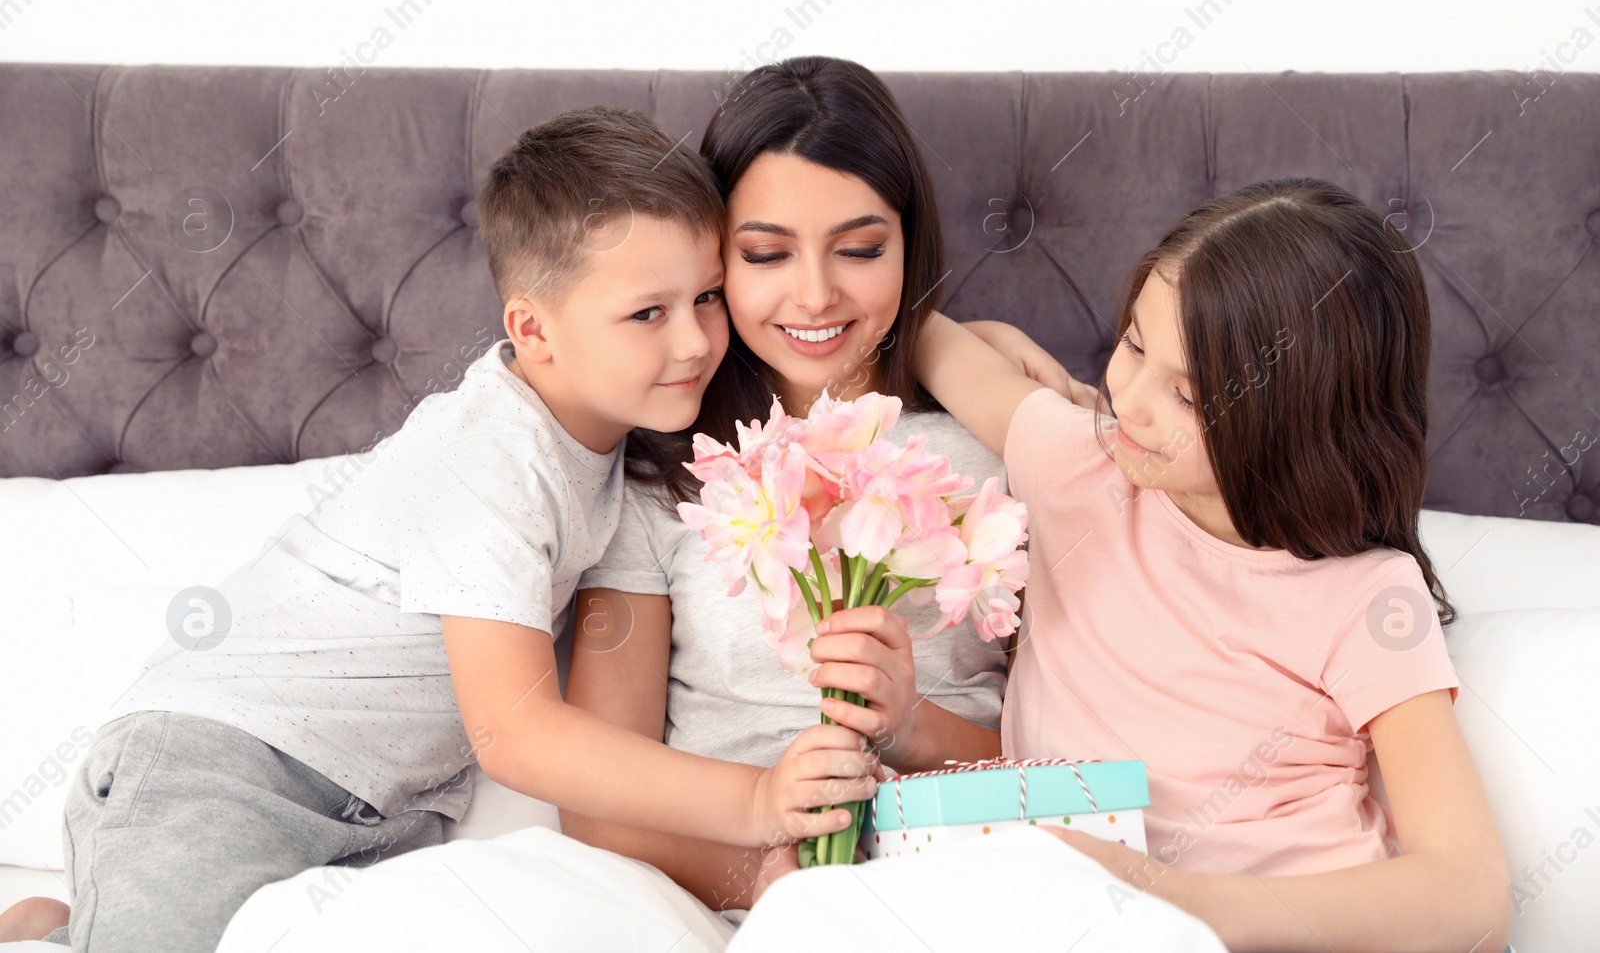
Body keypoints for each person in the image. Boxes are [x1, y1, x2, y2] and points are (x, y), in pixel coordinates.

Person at [0, 106, 879, 951]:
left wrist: (950, 345)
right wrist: (758, 798)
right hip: (220, 770)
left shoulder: (615, 452)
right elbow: (519, 731)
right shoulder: (492, 456)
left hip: (372, 818)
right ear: (532, 329)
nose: (693, 342)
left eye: (708, 298)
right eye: (648, 313)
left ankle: (61, 927)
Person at [900, 177, 1513, 951]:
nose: (1132, 401)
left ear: (1297, 422)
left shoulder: (1366, 597)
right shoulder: (1079, 465)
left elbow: (1473, 895)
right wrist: (991, 330)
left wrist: (1165, 897)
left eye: (1189, 397)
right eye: (1134, 345)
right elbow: (910, 330)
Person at [560, 56, 1070, 915]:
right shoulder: (669, 475)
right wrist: (759, 873)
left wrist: (913, 729)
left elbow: (1076, 777)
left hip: (966, 880)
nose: (815, 293)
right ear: (714, 253)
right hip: (731, 902)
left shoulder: (997, 452)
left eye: (861, 249)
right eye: (765, 253)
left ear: (912, 242)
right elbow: (596, 801)